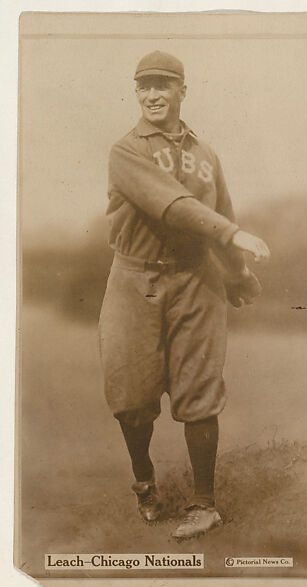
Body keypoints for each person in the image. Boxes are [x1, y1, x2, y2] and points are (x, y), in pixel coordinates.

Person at [99, 50, 270, 539]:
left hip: (196, 280)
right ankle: (145, 483)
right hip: (135, 279)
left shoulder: (206, 153)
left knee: (199, 393)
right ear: (136, 92)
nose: (153, 94)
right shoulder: (126, 149)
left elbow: (223, 212)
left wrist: (236, 276)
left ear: (181, 91)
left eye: (163, 85)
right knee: (131, 398)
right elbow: (171, 206)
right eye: (144, 85)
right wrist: (233, 236)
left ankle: (205, 504)